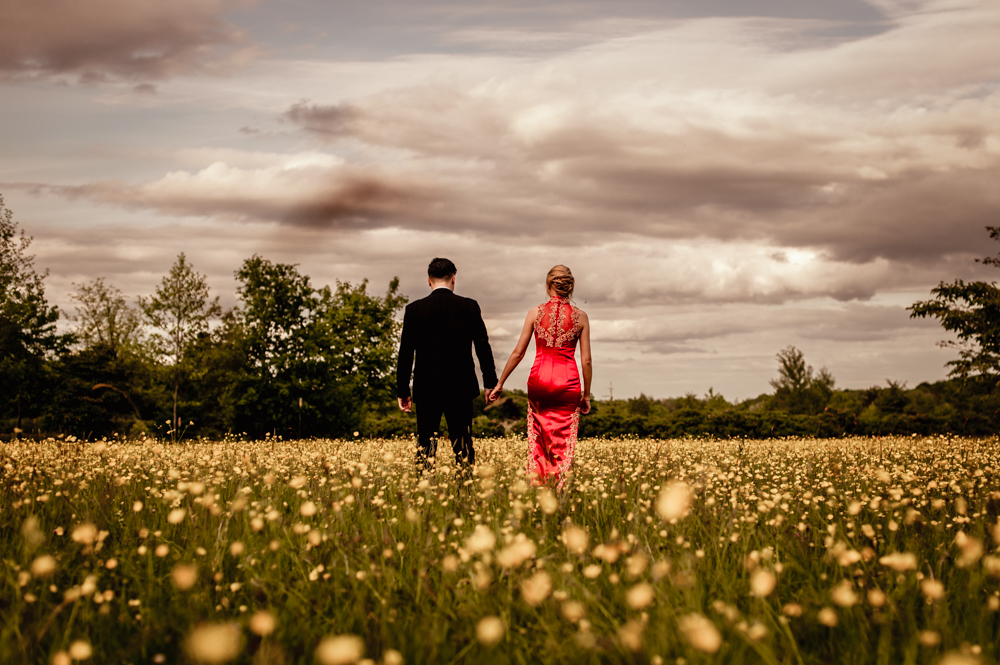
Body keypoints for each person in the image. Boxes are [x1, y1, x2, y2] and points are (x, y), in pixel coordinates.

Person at [487, 265, 591, 489]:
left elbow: (518, 352)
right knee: (564, 437)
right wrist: (587, 396)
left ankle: (538, 486)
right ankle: (561, 486)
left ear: (548, 285)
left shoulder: (535, 313)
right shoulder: (581, 317)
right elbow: (586, 361)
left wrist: (500, 383)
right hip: (568, 381)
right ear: (570, 287)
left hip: (540, 379)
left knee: (539, 435)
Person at [396, 258, 498, 468]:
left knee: (425, 446)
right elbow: (482, 347)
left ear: (429, 280)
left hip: (426, 387)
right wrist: (490, 382)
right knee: (463, 445)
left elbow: (405, 353)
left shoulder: (414, 309)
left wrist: (403, 390)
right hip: (461, 386)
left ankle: (425, 486)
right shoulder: (469, 306)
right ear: (454, 278)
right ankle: (465, 484)